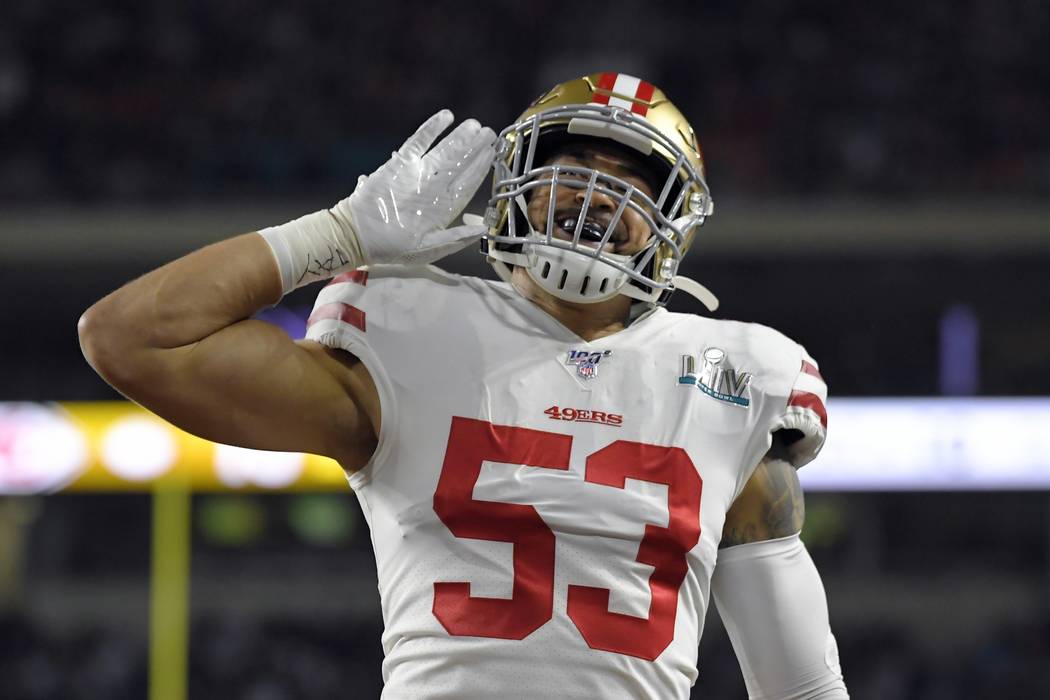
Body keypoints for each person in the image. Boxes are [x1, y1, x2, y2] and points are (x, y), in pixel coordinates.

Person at [79, 72, 849, 699]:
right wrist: (336, 235)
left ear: (674, 224)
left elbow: (802, 688)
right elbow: (129, 338)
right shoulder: (410, 329)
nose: (596, 193)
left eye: (630, 179)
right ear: (518, 184)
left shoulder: (736, 379)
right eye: (574, 166)